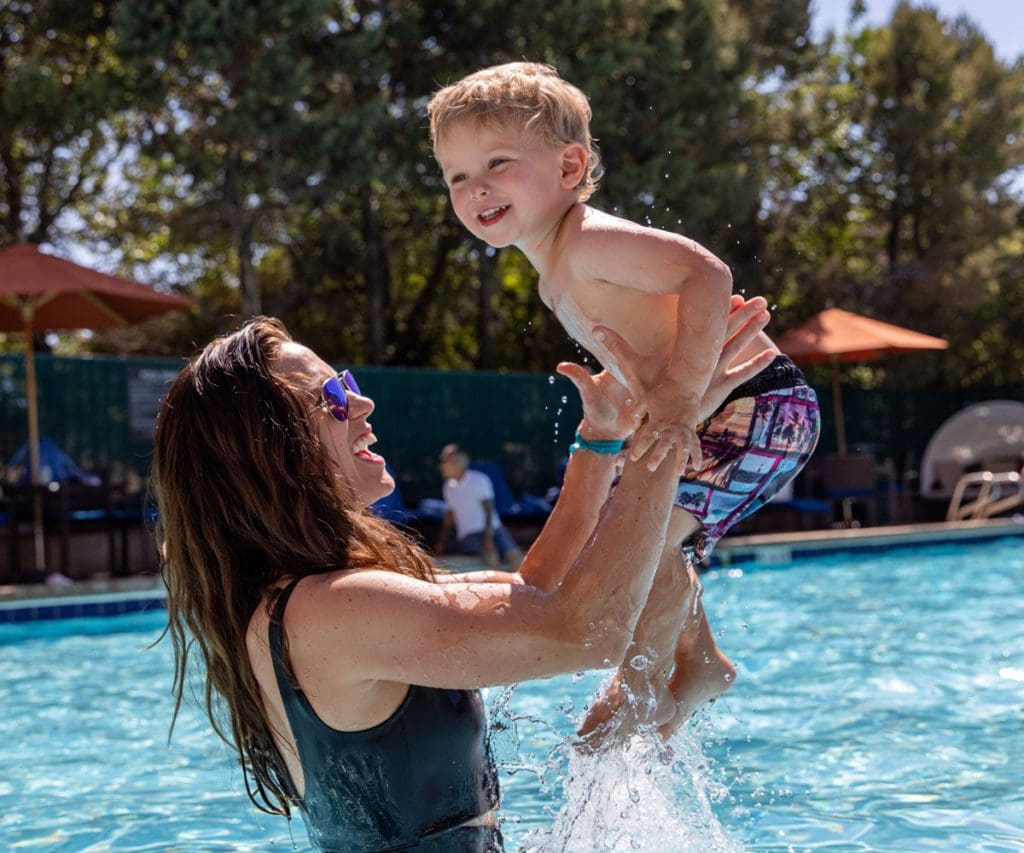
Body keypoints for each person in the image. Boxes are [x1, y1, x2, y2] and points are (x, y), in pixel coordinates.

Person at [151, 308, 771, 851]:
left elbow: (533, 595)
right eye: (332, 399)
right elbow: (586, 631)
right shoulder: (330, 611)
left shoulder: (324, 597)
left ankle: (693, 673)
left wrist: (603, 438)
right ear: (267, 453)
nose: (362, 404)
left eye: (348, 384)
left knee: (652, 562)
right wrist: (665, 436)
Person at [427, 62, 821, 736]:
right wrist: (649, 404)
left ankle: (645, 683)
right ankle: (697, 664)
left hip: (753, 404)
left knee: (643, 542)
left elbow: (706, 272)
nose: (476, 187)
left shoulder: (586, 242)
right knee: (634, 535)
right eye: (457, 175)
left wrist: (674, 398)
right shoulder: (555, 274)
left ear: (571, 165)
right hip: (715, 409)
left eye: (497, 161)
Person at [434, 444, 524, 571]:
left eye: (446, 461)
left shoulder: (479, 480)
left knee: (515, 558)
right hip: (469, 535)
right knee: (490, 556)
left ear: (459, 462)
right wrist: (441, 541)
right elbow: (450, 515)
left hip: (495, 529)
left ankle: (514, 583)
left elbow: (489, 510)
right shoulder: (448, 488)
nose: (442, 466)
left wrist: (487, 537)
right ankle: (499, 583)